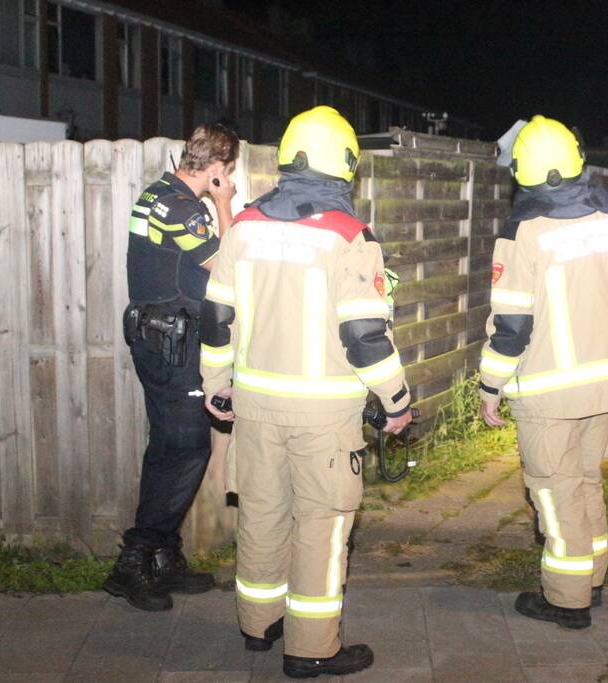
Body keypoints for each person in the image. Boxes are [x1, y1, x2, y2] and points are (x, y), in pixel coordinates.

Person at [200, 105, 412, 679]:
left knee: (263, 516)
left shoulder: (242, 227)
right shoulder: (349, 236)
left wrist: (216, 386)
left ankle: (258, 626)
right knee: (322, 525)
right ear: (345, 165)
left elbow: (218, 318)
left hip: (256, 407)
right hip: (322, 415)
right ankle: (313, 647)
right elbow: (365, 336)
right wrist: (397, 400)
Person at [479, 115, 608, 629]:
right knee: (585, 482)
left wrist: (491, 386)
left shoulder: (524, 233)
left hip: (549, 395)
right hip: (605, 384)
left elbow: (511, 325)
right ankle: (593, 578)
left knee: (554, 494)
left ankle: (566, 600)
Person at [104, 123, 239, 612]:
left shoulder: (159, 195)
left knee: (169, 447)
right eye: (227, 171)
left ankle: (161, 556)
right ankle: (134, 561)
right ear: (220, 167)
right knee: (186, 448)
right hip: (169, 343)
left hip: (161, 337)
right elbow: (230, 262)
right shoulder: (183, 208)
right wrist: (224, 204)